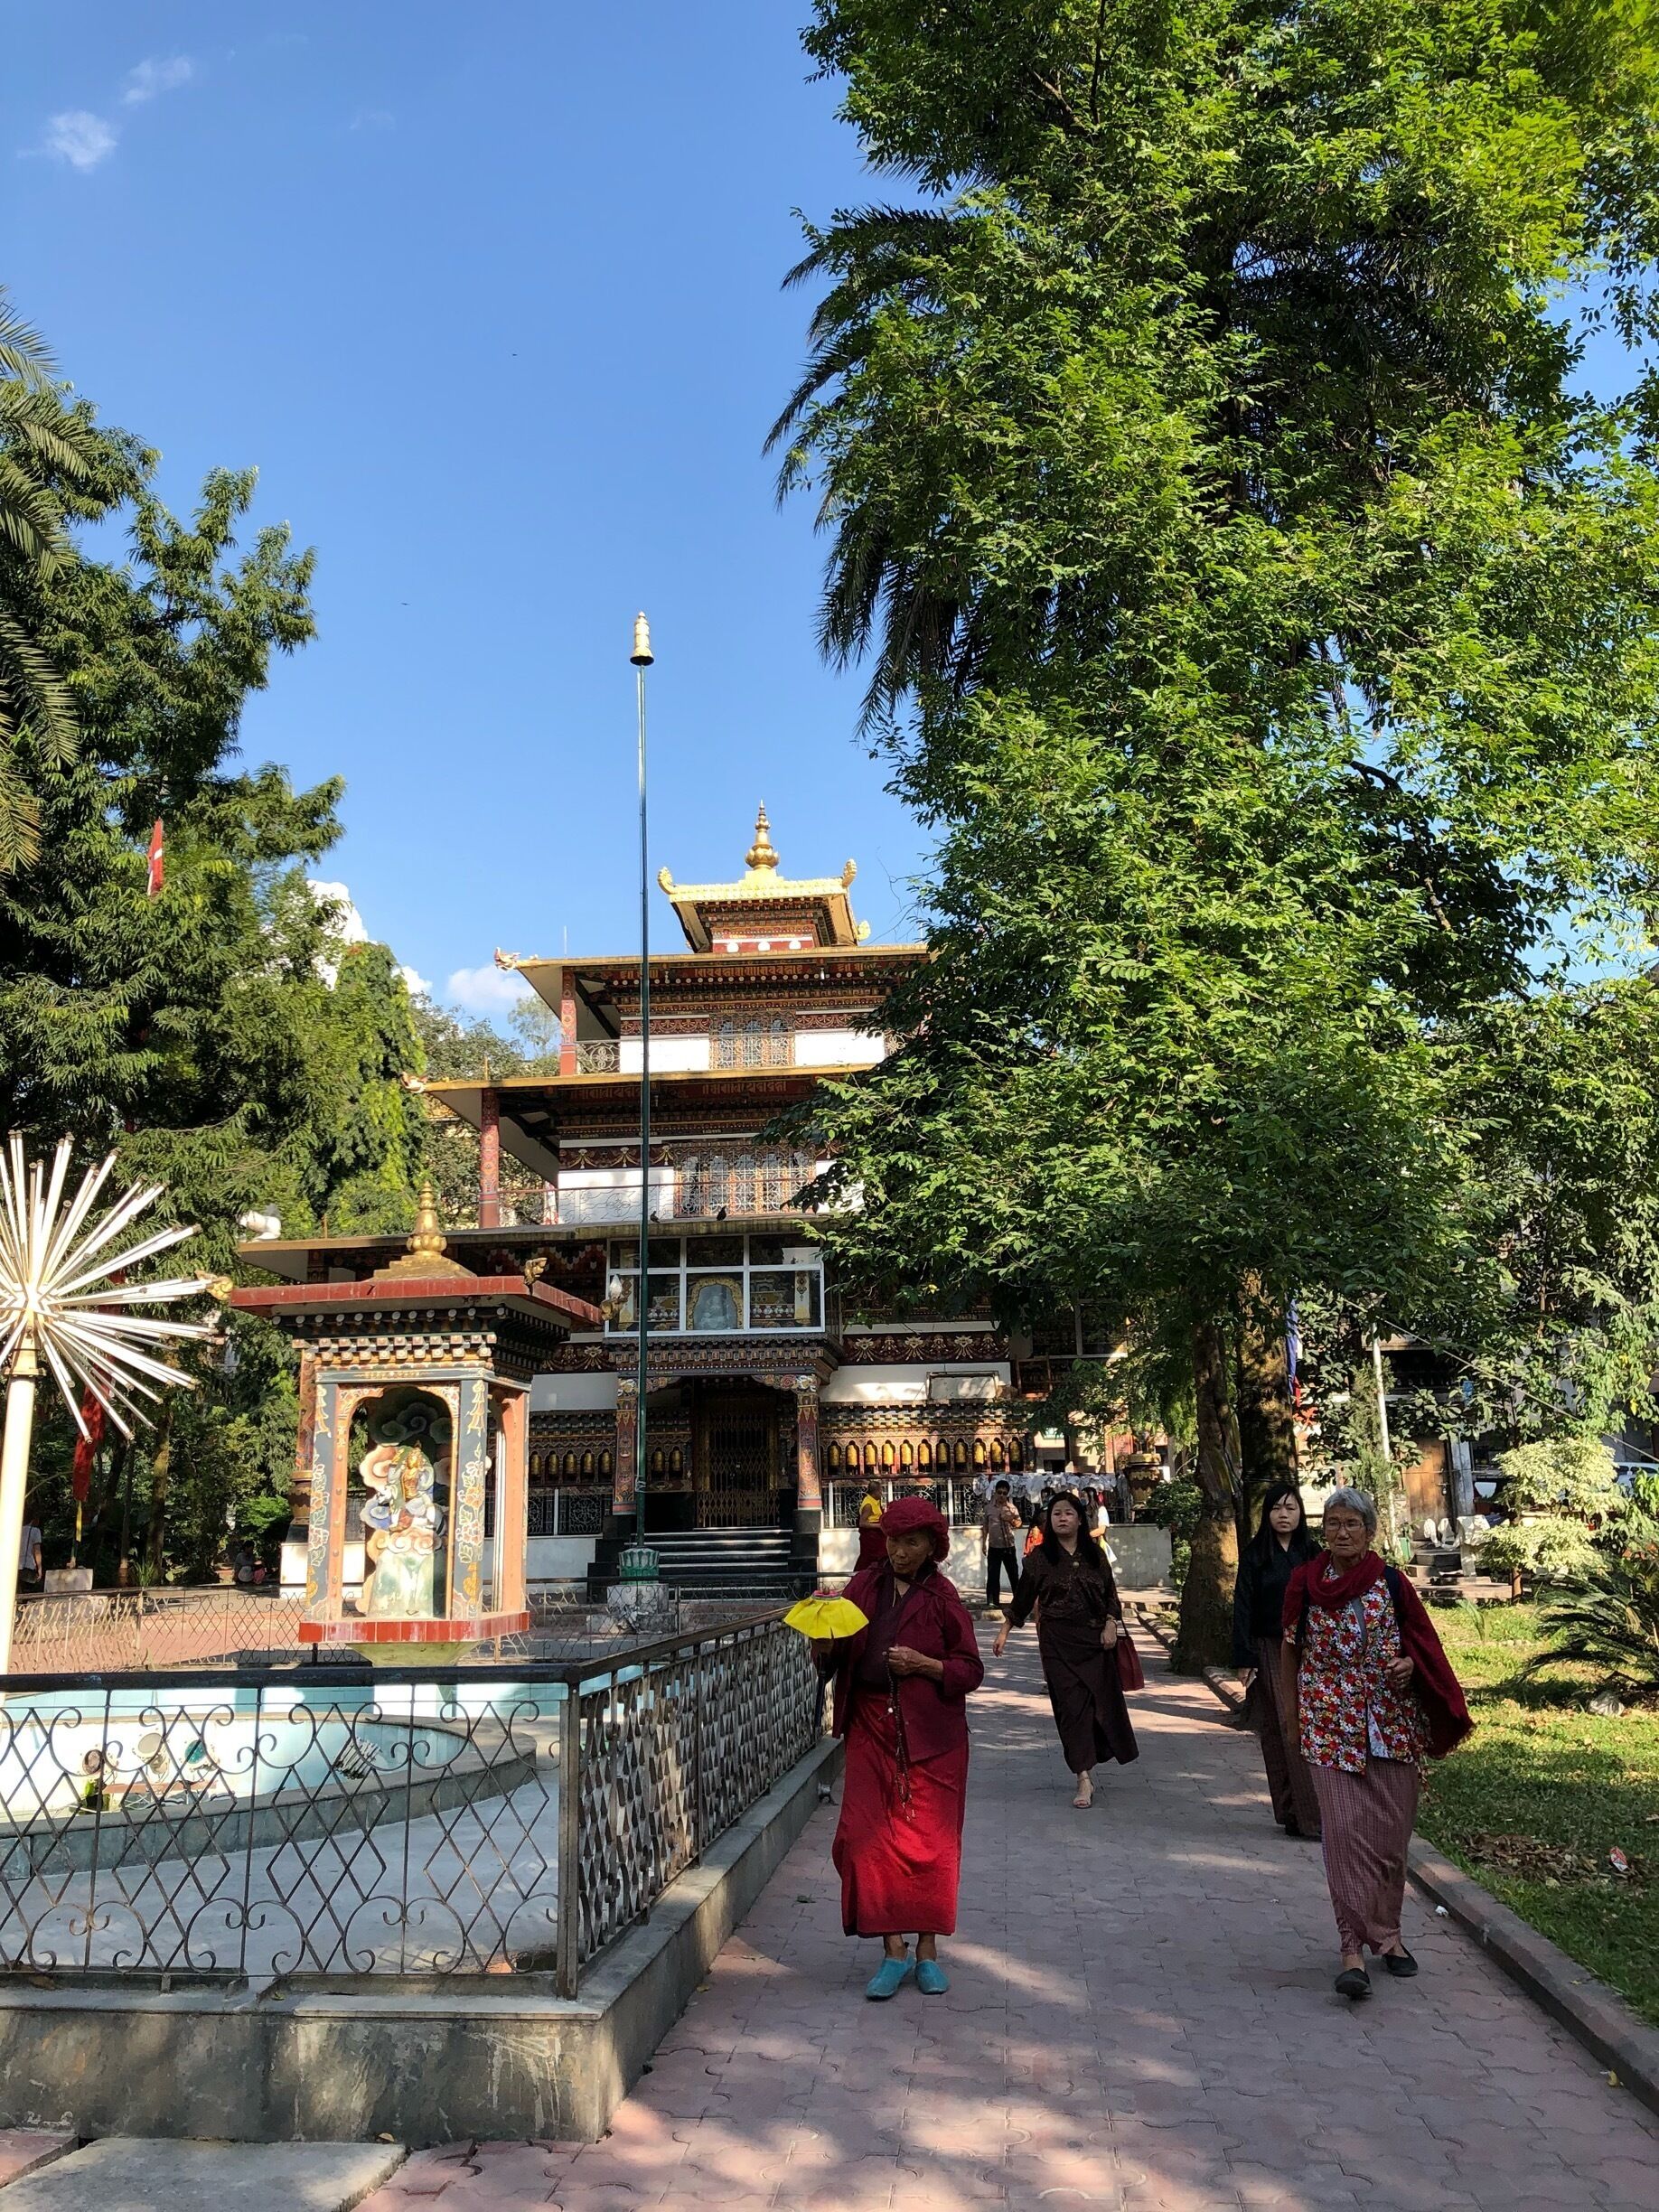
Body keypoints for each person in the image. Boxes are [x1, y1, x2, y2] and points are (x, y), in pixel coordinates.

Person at [1280, 1486, 1472, 2000]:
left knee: (1391, 1840)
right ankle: (1351, 1950)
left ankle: (1388, 1936)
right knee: (1344, 1836)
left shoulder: (1391, 1583)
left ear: (1371, 1532)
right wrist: (1293, 1719)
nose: (1342, 1532)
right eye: (1333, 1524)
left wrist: (1410, 1666)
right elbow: (1290, 1653)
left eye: (1352, 1524)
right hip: (1327, 1725)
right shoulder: (1305, 1583)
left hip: (1390, 1724)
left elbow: (1421, 1645)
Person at [814, 1494, 984, 2000]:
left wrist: (924, 1665)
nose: (900, 1552)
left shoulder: (944, 1598)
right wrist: (824, 1649)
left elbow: (969, 1669)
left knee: (932, 1845)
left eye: (912, 1542)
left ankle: (927, 1951)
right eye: (893, 1541)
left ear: (932, 1546)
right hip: (870, 1729)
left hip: (934, 1739)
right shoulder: (863, 1586)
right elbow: (838, 1654)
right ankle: (892, 1951)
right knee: (867, 1839)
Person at [994, 1490, 1139, 1807]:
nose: (1061, 1518)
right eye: (1056, 1513)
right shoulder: (1040, 1559)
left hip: (1095, 1641)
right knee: (1071, 1709)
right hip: (1057, 1643)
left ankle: (1095, 1753)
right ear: (1049, 1520)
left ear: (1079, 1519)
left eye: (1068, 1513)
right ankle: (1083, 1777)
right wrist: (1005, 1631)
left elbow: (1110, 1594)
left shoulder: (1094, 1555)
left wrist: (1111, 1623)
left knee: (1099, 1706)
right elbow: (1021, 1598)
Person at [1232, 1481, 1322, 1839]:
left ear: (1300, 1513)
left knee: (1305, 1727)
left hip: (1310, 1649)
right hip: (1270, 1648)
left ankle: (1309, 1814)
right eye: (1276, 1509)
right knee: (1280, 1729)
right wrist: (1244, 1656)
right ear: (1266, 1514)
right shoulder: (1256, 1556)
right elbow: (1243, 1606)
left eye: (1290, 1508)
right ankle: (1296, 1814)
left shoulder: (1313, 1555)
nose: (1284, 1516)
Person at [980, 1477, 1021, 1613]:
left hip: (1008, 1546)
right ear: (995, 1493)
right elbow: (985, 1527)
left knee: (1014, 1575)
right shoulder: (988, 1508)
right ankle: (992, 1602)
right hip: (994, 1546)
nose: (1002, 1495)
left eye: (1004, 1493)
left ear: (1007, 1494)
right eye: (1000, 1492)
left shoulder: (1012, 1508)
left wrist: (1010, 1518)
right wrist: (983, 1544)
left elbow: (1018, 1524)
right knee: (993, 1575)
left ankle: (1019, 1602)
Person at [856, 1484, 887, 1570]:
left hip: (877, 1535)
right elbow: (862, 1523)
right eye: (880, 1491)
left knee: (882, 1556)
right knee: (869, 1558)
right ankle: (861, 1576)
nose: (881, 1494)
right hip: (870, 1535)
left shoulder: (875, 1501)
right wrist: (879, 1526)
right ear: (875, 1492)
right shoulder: (868, 1504)